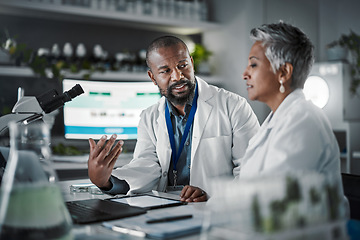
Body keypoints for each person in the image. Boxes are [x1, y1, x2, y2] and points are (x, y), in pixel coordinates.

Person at [87, 36, 260, 202]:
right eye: (165, 71)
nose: (178, 76)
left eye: (183, 65)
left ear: (192, 63)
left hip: (217, 208)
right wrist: (106, 181)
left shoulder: (234, 106)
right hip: (166, 207)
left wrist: (212, 195)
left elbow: (253, 170)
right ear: (153, 77)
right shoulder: (149, 116)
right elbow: (146, 165)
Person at [239, 21, 342, 178]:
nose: (245, 74)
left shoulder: (303, 120)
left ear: (284, 72)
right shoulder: (277, 119)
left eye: (253, 64)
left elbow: (275, 194)